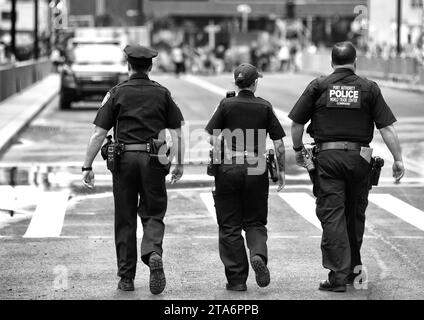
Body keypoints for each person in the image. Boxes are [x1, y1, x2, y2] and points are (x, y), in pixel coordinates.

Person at [288, 41, 405, 292]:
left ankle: (338, 277)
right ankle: (352, 269)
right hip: (360, 159)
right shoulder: (369, 88)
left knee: (333, 214)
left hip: (328, 160)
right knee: (354, 213)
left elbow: (297, 124)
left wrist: (298, 150)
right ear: (355, 62)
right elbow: (386, 127)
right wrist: (398, 159)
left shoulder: (319, 86)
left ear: (331, 62)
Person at [81, 44, 185, 294]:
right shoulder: (162, 93)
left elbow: (99, 133)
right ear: (150, 66)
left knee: (125, 218)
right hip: (153, 160)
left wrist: (87, 165)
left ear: (128, 65)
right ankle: (152, 253)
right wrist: (179, 164)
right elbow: (177, 132)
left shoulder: (116, 92)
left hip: (124, 160)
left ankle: (126, 278)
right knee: (153, 212)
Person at [205, 63, 286, 291]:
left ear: (236, 83)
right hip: (256, 165)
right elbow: (279, 144)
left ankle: (237, 280)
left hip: (229, 166)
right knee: (255, 221)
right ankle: (258, 254)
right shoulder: (265, 107)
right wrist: (280, 172)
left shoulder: (226, 104)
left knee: (229, 225)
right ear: (255, 82)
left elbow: (211, 137)